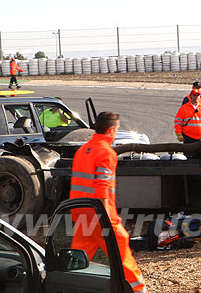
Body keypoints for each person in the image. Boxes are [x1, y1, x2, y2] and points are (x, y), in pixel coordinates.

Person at [69, 112, 146, 292]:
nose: (117, 132)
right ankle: (139, 290)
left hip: (81, 213)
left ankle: (67, 287)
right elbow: (102, 187)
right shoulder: (107, 153)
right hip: (100, 215)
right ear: (111, 130)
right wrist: (105, 220)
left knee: (77, 260)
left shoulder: (82, 151)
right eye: (117, 129)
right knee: (122, 256)